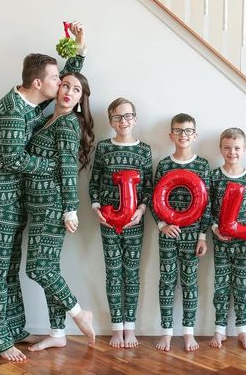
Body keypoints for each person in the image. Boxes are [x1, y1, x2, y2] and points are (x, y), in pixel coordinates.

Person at [0, 22, 85, 361]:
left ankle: (14, 329)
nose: (60, 84)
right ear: (39, 83)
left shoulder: (30, 103)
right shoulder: (12, 111)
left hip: (15, 200)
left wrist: (78, 49)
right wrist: (51, 169)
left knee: (10, 267)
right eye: (56, 80)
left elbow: (68, 81)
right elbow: (13, 159)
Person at [25, 72, 95, 351]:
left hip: (53, 207)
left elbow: (68, 170)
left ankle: (79, 313)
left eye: (76, 90)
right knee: (49, 268)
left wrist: (70, 210)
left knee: (37, 268)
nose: (68, 91)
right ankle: (57, 332)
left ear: (80, 99)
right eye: (64, 85)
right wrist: (78, 52)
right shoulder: (48, 119)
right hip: (39, 205)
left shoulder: (67, 125)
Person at [89, 98, 153, 348]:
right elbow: (94, 182)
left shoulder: (144, 150)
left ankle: (130, 327)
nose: (123, 121)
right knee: (113, 272)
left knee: (132, 274)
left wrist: (142, 209)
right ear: (110, 121)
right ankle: (117, 327)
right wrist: (95, 207)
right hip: (108, 222)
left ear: (135, 119)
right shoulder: (103, 148)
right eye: (117, 117)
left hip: (135, 223)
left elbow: (148, 186)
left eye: (127, 116)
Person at [151, 113, 211, 352]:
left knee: (190, 284)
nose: (182, 135)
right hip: (168, 234)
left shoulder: (202, 165)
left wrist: (203, 236)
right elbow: (155, 200)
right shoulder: (164, 165)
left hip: (193, 235)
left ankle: (188, 332)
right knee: (166, 282)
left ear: (194, 135)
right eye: (178, 131)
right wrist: (162, 225)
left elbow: (208, 204)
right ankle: (166, 332)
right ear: (170, 135)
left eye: (187, 131)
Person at [208, 128, 246, 350]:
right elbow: (208, 208)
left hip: (243, 244)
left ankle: (242, 331)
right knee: (221, 285)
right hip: (221, 241)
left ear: (244, 150)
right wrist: (215, 228)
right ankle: (219, 330)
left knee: (242, 286)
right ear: (221, 149)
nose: (232, 152)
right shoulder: (214, 176)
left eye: (237, 148)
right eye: (227, 148)